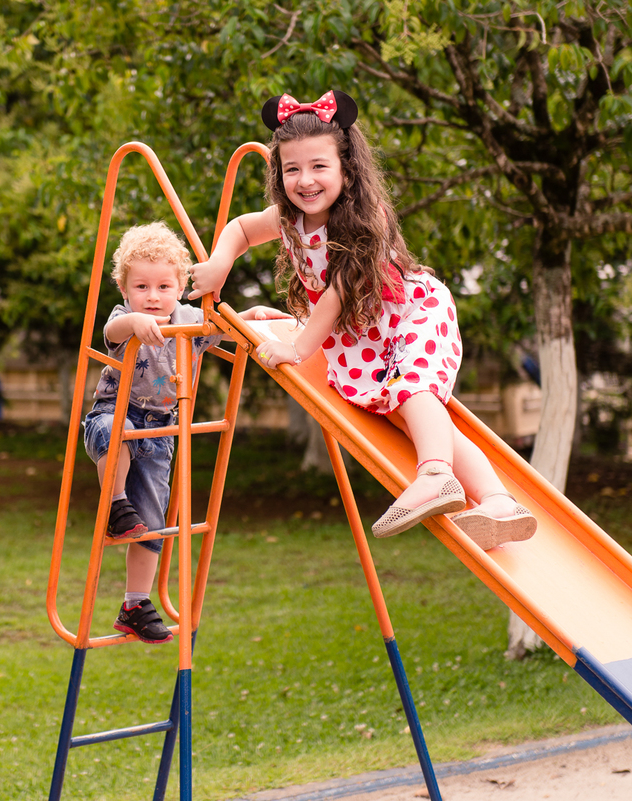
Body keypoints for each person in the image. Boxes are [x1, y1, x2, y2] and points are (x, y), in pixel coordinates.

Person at [188, 90, 537, 549]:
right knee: (418, 416)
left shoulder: (364, 216)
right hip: (368, 339)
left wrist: (297, 347)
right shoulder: (290, 219)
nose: (305, 180)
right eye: (291, 169)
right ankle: (497, 501)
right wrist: (219, 264)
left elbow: (337, 292)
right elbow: (240, 229)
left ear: (346, 169)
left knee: (416, 390)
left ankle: (436, 475)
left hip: (413, 314)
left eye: (319, 166)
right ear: (279, 174)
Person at [85, 221, 286, 643]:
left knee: (153, 522)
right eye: (141, 287)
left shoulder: (192, 319)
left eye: (163, 286)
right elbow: (111, 333)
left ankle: (135, 603)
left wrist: (250, 316)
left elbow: (221, 329)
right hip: (115, 412)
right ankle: (114, 505)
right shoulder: (126, 317)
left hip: (162, 431)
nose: (153, 296)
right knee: (116, 432)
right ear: (124, 289)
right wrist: (135, 321)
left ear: (180, 286)